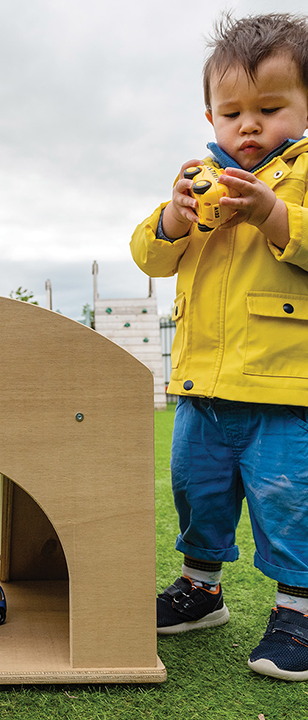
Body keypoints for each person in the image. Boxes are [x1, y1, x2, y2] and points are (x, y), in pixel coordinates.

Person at [131, 13, 308, 682]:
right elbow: (150, 257)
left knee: (289, 503)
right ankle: (199, 590)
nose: (249, 124)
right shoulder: (198, 177)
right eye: (232, 111)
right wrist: (173, 218)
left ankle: (297, 613)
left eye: (270, 107)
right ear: (210, 114)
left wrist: (272, 212)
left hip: (282, 393)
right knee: (196, 492)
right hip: (201, 389)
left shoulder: (300, 176)